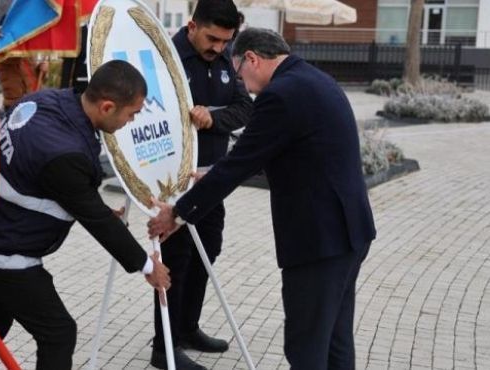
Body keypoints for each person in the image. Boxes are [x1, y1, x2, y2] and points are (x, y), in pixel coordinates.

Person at [148, 28, 376, 369]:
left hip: (320, 241)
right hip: (349, 232)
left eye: (239, 72)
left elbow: (242, 160)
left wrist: (178, 213)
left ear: (251, 59)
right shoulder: (313, 79)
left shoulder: (280, 95)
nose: (242, 83)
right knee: (334, 340)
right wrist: (213, 173)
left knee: (306, 346)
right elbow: (291, 153)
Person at [0, 60, 171, 370]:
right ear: (108, 106)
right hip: (3, 252)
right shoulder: (65, 153)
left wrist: (81, 200)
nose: (131, 121)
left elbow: (38, 178)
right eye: (131, 114)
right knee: (58, 333)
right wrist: (147, 265)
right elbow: (95, 218)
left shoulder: (42, 100)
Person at [150, 0, 252, 369]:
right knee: (175, 260)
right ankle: (164, 347)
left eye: (226, 42)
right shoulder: (166, 58)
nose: (219, 48)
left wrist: (214, 117)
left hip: (211, 179)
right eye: (212, 39)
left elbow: (244, 109)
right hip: (173, 182)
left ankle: (187, 328)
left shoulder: (224, 60)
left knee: (207, 253)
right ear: (192, 26)